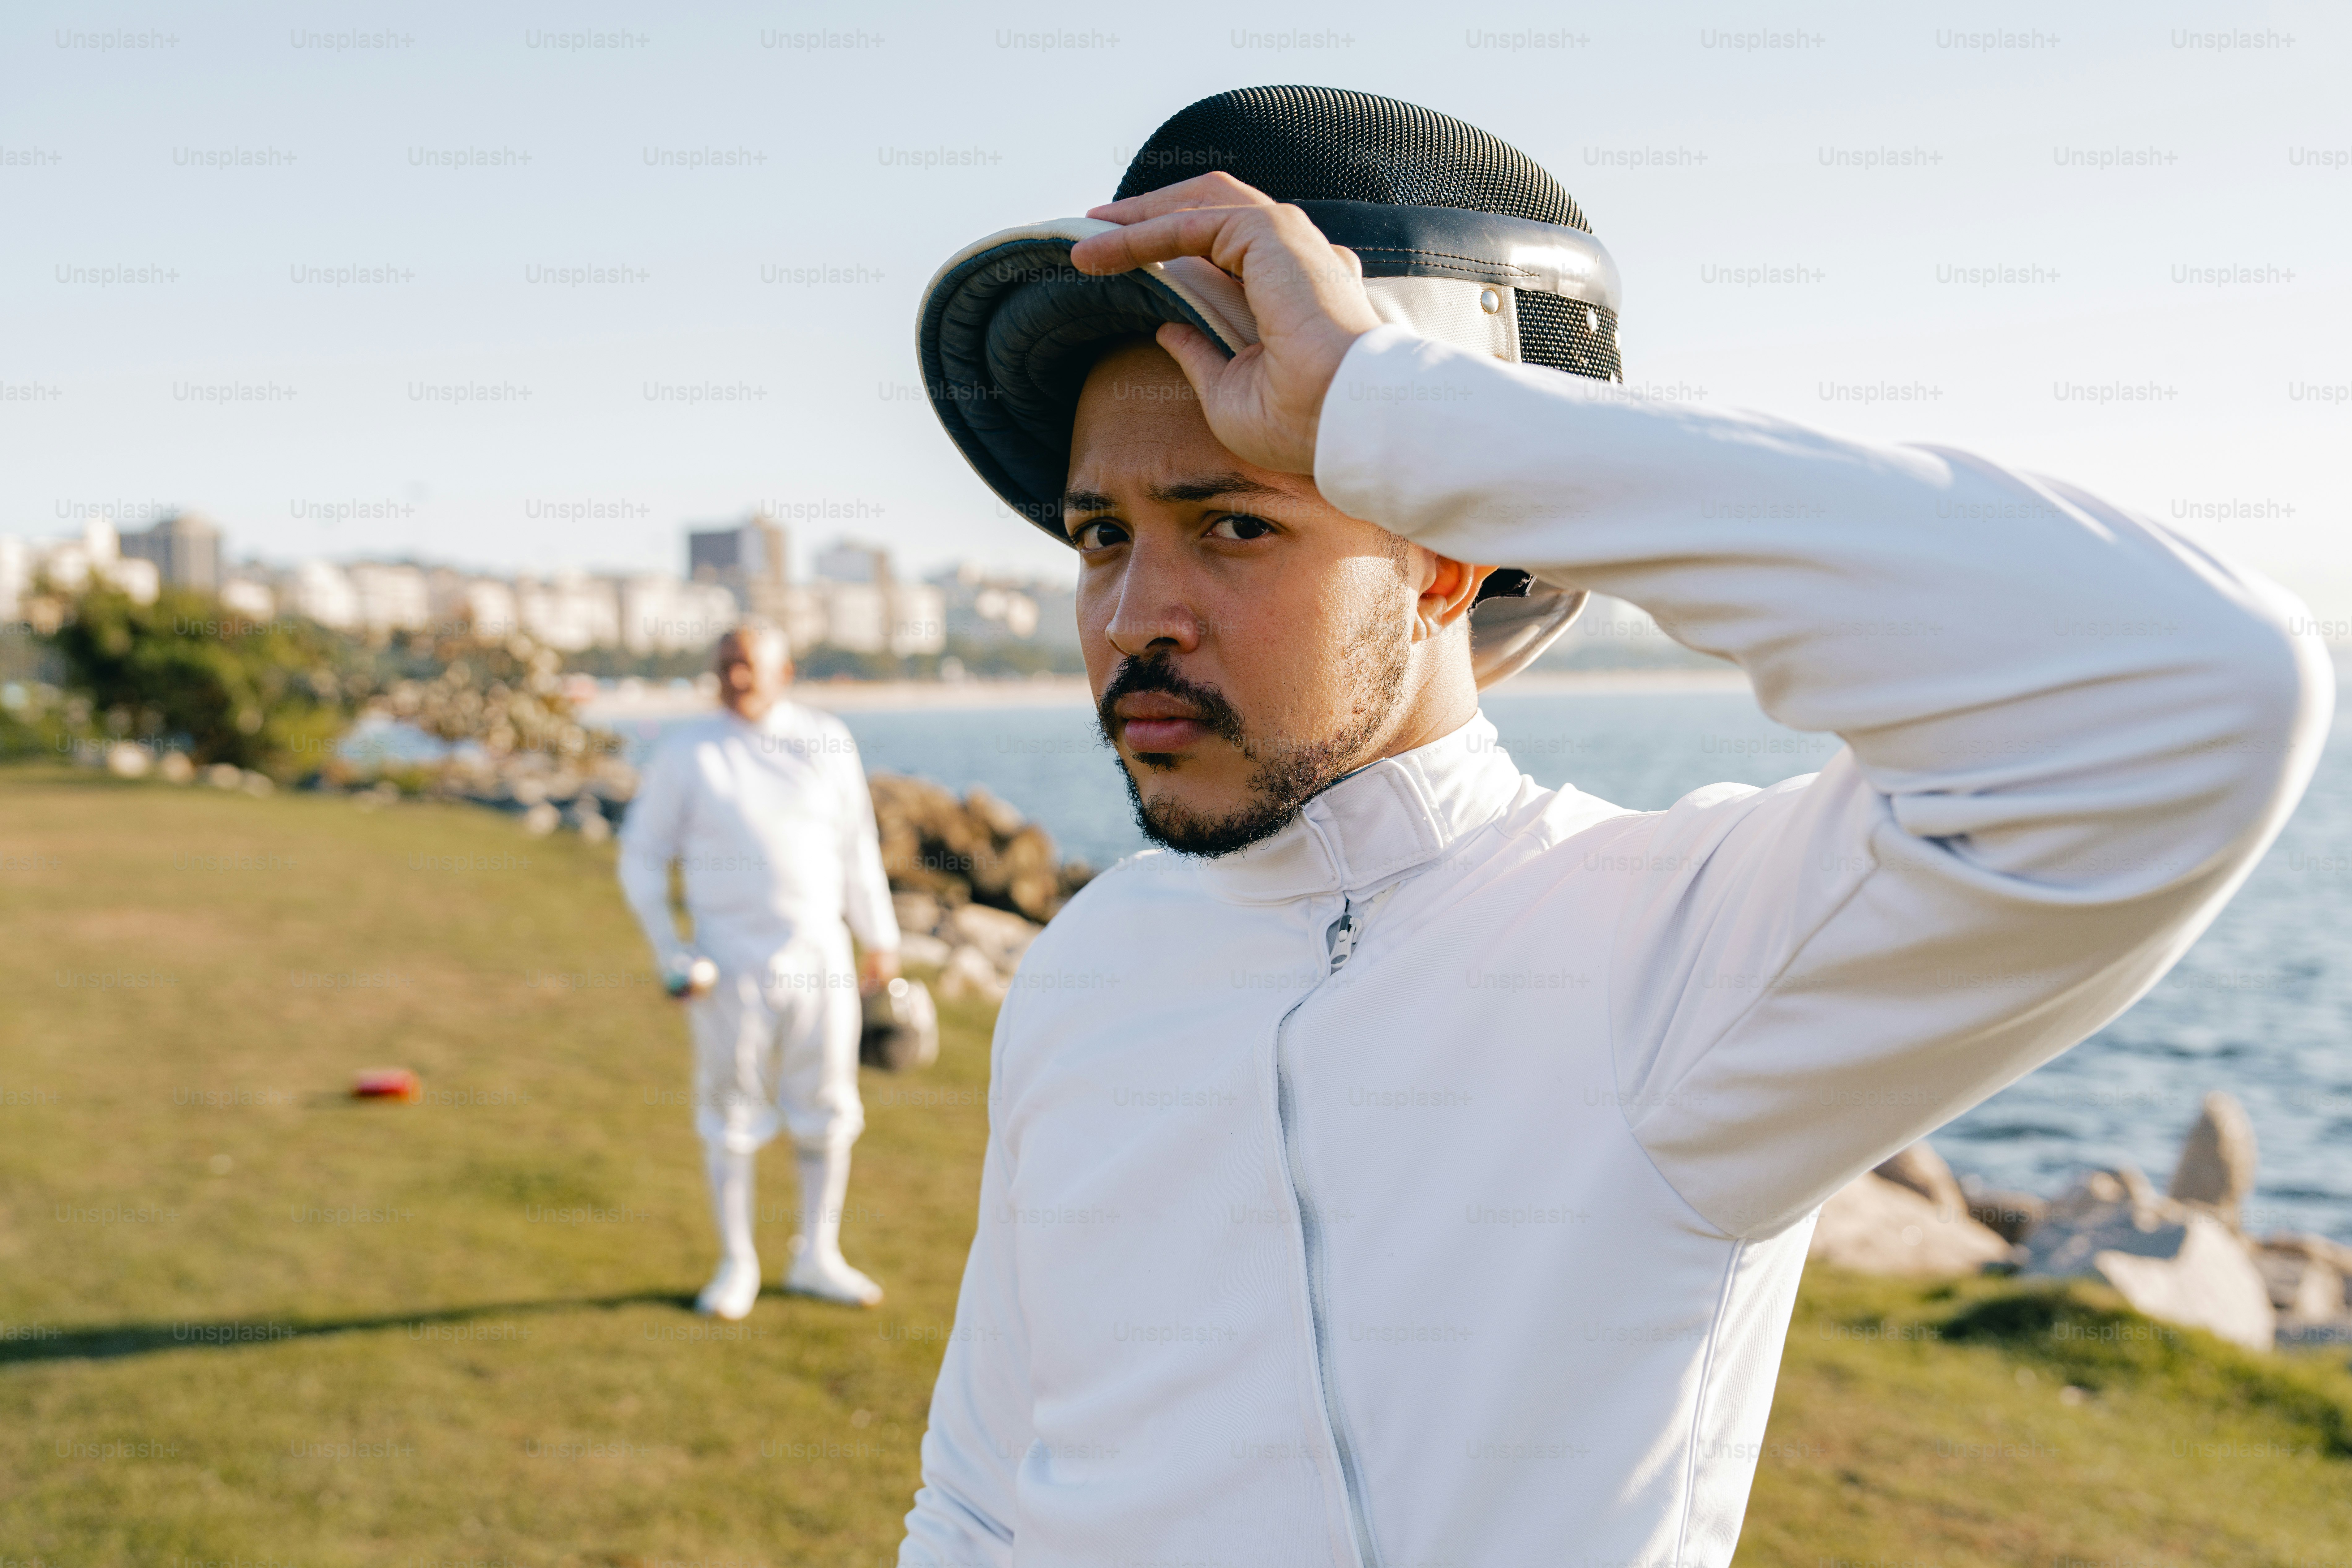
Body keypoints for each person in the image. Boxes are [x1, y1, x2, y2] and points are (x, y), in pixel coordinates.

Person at [895, 88, 2331, 1565]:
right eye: (1102, 535)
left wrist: (1393, 411)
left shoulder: (1673, 959)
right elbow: (982, 1496)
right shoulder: (1085, 967)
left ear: (1443, 559)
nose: (1134, 616)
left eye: (1234, 524)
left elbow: (2202, 687)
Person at [618, 623, 900, 1316]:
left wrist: (879, 936)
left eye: (747, 664)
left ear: (786, 671)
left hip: (820, 954)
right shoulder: (688, 752)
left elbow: (856, 845)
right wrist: (671, 949)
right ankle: (735, 1263)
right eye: (725, 664)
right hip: (727, 960)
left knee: (827, 1111)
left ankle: (817, 1256)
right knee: (731, 1114)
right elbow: (642, 855)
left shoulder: (826, 739)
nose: (735, 677)